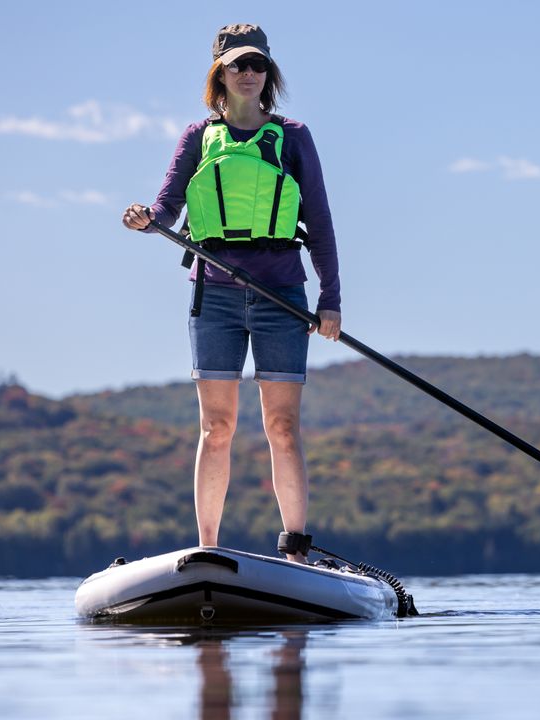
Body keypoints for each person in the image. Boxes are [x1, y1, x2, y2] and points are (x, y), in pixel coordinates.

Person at [121, 24, 339, 564]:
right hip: (213, 297)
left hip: (282, 295)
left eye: (257, 65)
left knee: (281, 427)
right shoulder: (197, 137)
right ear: (220, 72)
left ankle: (295, 551)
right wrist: (147, 220)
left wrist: (330, 299)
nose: (248, 73)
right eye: (238, 65)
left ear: (269, 74)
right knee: (215, 427)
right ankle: (209, 551)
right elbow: (168, 208)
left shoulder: (294, 136)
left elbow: (322, 221)